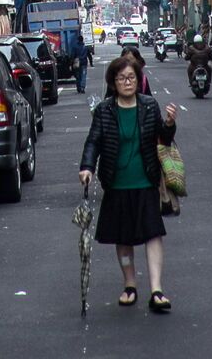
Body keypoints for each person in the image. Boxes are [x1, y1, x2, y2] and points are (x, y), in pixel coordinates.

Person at [79, 56, 180, 313]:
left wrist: (169, 124)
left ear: (138, 80)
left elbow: (163, 139)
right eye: (122, 78)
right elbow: (94, 141)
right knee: (122, 237)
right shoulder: (105, 110)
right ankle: (130, 285)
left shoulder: (148, 105)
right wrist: (87, 168)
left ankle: (157, 290)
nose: (127, 82)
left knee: (153, 233)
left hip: (146, 180)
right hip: (116, 183)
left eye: (132, 78)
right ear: (113, 82)